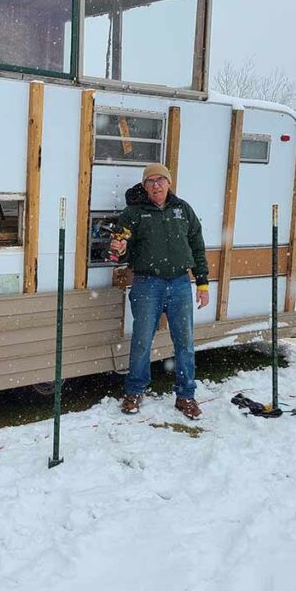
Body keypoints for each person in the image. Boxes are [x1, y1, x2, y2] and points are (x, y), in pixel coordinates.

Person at [110, 163, 210, 419]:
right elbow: (119, 247)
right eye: (151, 181)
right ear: (144, 186)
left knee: (185, 343)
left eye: (161, 180)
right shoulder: (133, 213)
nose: (156, 184)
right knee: (142, 341)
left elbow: (197, 245)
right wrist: (119, 247)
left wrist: (202, 282)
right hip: (147, 284)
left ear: (169, 182)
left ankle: (186, 396)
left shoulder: (182, 209)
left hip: (179, 283)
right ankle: (134, 391)